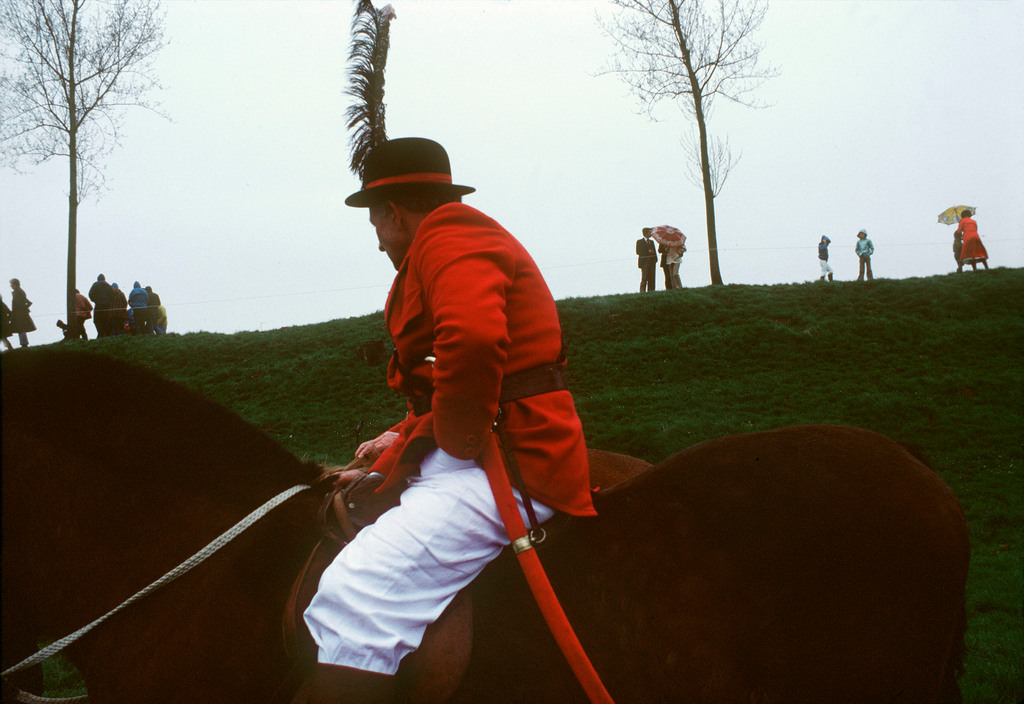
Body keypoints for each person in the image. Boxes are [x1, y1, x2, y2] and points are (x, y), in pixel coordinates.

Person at [298, 137, 596, 701]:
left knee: (352, 594)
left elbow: (475, 341)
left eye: (376, 225)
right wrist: (395, 443)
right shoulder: (442, 241)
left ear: (394, 212)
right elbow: (447, 384)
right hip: (486, 448)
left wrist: (457, 441)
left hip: (515, 459)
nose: (379, 241)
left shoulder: (448, 234)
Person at [9, 279, 36, 348]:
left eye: (12, 284)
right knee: (21, 328)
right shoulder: (19, 292)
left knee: (21, 328)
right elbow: (28, 302)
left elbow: (22, 303)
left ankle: (24, 344)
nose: (11, 285)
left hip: (19, 314)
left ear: (15, 284)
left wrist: (22, 309)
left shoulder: (18, 292)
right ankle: (24, 343)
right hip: (19, 313)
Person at [88, 273, 114, 337]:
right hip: (107, 306)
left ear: (98, 279)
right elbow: (112, 295)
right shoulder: (108, 285)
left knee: (97, 320)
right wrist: (109, 301)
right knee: (106, 320)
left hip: (98, 306)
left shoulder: (95, 285)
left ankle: (101, 333)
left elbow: (90, 294)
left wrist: (96, 301)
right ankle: (106, 334)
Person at [636, 227, 657, 292]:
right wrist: (648, 251)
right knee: (644, 278)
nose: (651, 234)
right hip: (644, 262)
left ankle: (651, 291)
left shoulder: (652, 242)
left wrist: (655, 260)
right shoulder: (639, 242)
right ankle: (642, 291)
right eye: (649, 232)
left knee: (652, 277)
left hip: (652, 262)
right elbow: (638, 251)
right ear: (646, 233)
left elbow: (655, 251)